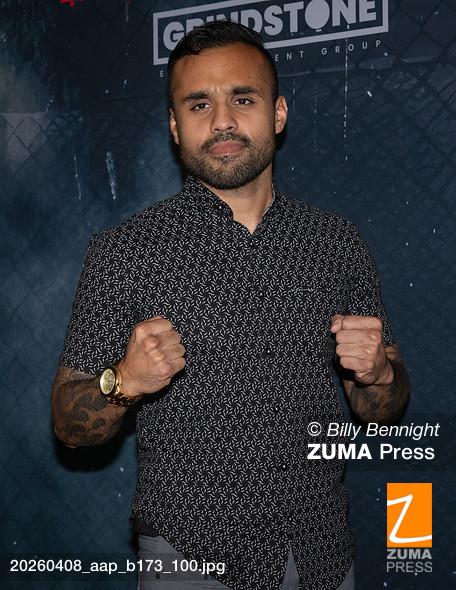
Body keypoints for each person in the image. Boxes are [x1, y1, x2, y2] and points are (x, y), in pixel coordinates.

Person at [51, 21, 410, 590]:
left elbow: (379, 411)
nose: (221, 121)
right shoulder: (126, 251)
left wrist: (379, 373)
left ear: (278, 113)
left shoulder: (336, 243)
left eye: (242, 99)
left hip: (320, 554)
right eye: (199, 104)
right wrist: (125, 381)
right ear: (175, 126)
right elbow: (69, 425)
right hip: (191, 559)